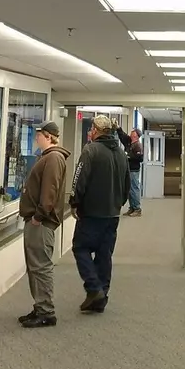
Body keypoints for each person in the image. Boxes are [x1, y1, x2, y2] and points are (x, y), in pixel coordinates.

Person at [70, 115, 130, 314]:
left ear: (96, 130)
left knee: (80, 248)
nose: (89, 132)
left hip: (92, 212)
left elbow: (79, 179)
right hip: (112, 213)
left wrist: (74, 202)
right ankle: (101, 296)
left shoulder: (90, 150)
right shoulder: (121, 153)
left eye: (90, 129)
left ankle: (94, 289)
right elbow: (127, 184)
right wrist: (117, 204)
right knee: (105, 254)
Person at [17, 122, 71, 329]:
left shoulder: (54, 158)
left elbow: (50, 191)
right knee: (35, 266)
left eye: (38, 135)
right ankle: (40, 306)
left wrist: (39, 216)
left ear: (48, 137)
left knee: (41, 266)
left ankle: (46, 311)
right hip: (37, 220)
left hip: (41, 222)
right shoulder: (48, 157)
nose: (36, 139)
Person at [119, 128, 144, 217]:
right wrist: (118, 129)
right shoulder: (130, 143)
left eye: (132, 132)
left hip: (134, 170)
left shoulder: (138, 145)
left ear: (135, 135)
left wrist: (128, 156)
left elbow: (140, 158)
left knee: (134, 189)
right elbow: (123, 137)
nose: (130, 133)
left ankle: (137, 209)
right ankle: (132, 208)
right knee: (129, 190)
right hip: (128, 169)